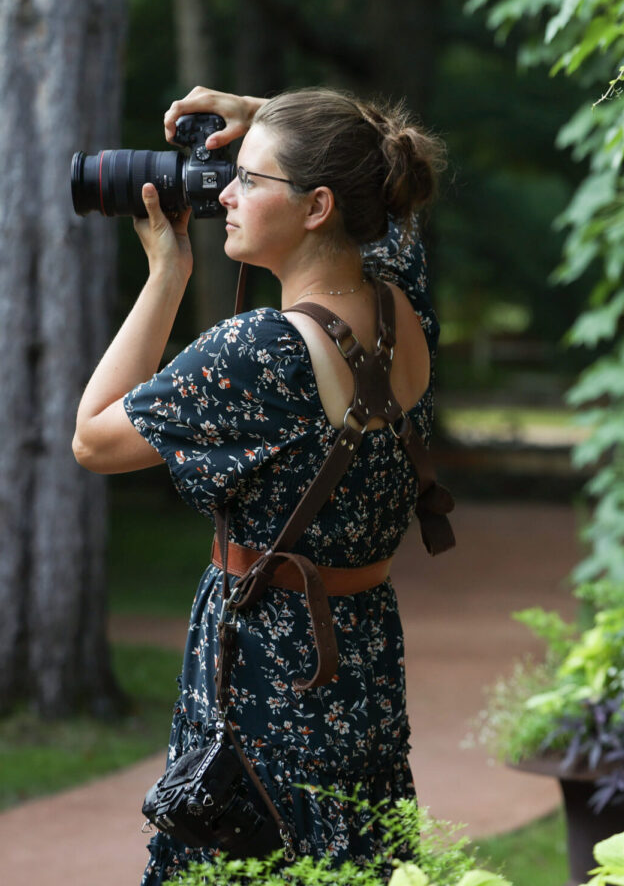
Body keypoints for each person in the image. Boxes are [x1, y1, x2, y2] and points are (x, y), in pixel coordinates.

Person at [73, 85, 449, 884]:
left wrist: (167, 272)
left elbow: (93, 438)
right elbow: (375, 177)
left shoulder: (262, 351)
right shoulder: (400, 299)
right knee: (352, 859)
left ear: (317, 206)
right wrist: (266, 116)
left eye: (247, 178)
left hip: (267, 677)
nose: (222, 195)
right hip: (363, 665)